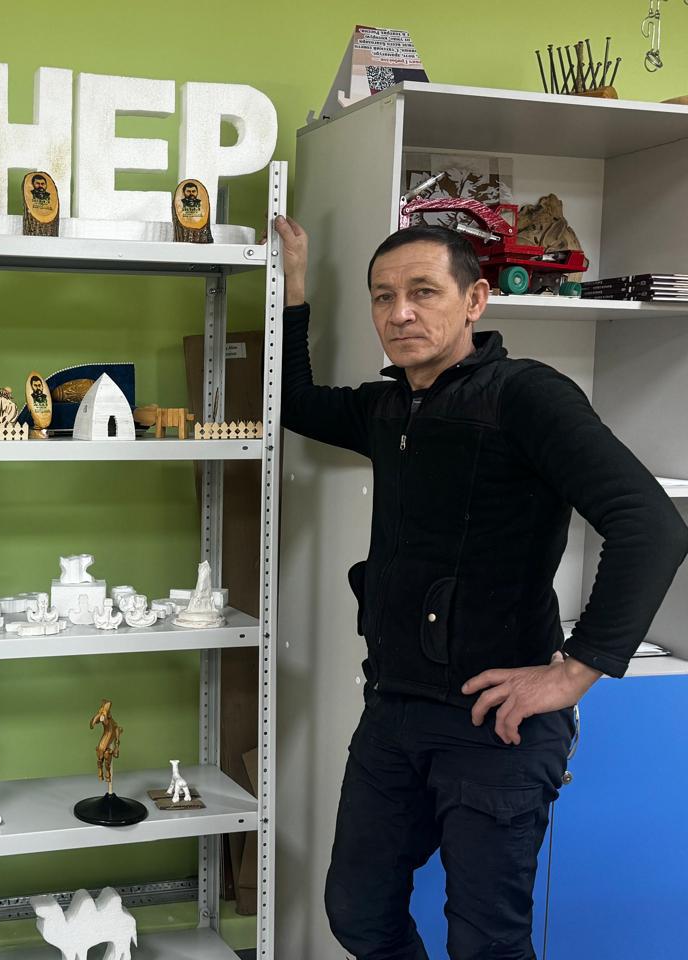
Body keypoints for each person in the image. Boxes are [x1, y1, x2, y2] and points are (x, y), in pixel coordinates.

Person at [273, 215, 688, 960]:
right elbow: (295, 401)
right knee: (358, 914)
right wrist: (294, 285)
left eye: (424, 291)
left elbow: (651, 525)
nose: (401, 313)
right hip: (394, 713)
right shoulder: (388, 407)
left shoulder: (524, 396)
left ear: (475, 300)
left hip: (495, 725)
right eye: (383, 297)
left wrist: (575, 671)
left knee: (486, 945)